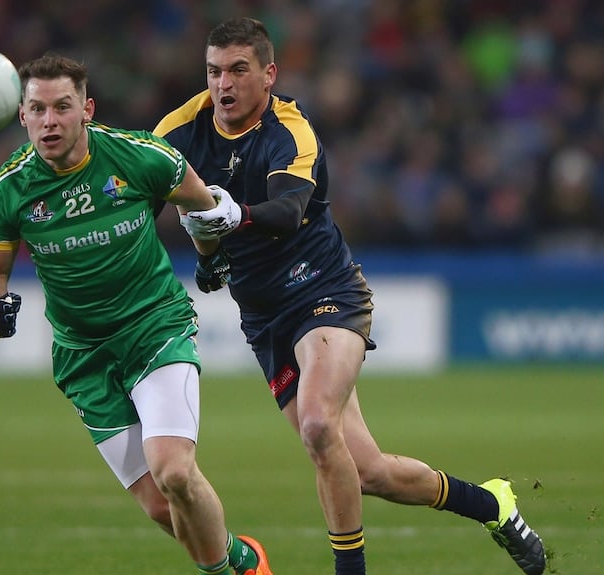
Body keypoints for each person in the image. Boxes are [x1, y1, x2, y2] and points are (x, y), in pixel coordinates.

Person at [153, 17, 546, 575]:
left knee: (317, 425)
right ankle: (494, 505)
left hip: (324, 292)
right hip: (265, 318)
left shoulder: (291, 131)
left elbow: (286, 212)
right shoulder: (179, 129)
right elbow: (142, 195)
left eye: (239, 70)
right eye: (215, 71)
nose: (224, 84)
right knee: (368, 472)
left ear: (269, 74)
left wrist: (227, 219)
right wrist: (208, 251)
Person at [0, 53, 272, 575]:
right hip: (83, 357)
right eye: (37, 109)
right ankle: (242, 559)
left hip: (154, 328)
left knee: (175, 473)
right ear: (22, 116)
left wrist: (209, 257)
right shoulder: (9, 191)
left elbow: (201, 203)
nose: (50, 121)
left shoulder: (140, 157)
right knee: (160, 505)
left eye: (62, 107)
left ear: (86, 109)